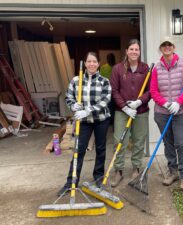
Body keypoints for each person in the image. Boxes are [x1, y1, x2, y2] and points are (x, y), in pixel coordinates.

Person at [57, 52, 111, 196]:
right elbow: (68, 97)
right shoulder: (76, 80)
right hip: (84, 122)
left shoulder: (104, 81)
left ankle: (98, 177)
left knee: (100, 149)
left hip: (101, 119)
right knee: (79, 150)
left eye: (94, 61)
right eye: (89, 61)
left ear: (98, 63)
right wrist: (73, 105)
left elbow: (105, 101)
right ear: (85, 64)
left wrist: (87, 110)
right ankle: (71, 182)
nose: (92, 64)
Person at [150, 37, 183, 190]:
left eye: (169, 45)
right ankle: (173, 171)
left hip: (181, 112)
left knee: (180, 143)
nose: (167, 47)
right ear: (160, 48)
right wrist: (165, 103)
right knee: (168, 143)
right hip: (162, 112)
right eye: (164, 45)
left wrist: (178, 102)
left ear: (173, 47)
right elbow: (153, 90)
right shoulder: (156, 68)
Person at [109, 39, 150, 187]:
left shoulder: (145, 69)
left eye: (136, 49)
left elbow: (150, 90)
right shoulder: (118, 69)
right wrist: (125, 107)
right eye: (131, 49)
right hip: (122, 112)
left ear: (139, 52)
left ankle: (136, 168)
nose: (134, 52)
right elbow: (114, 90)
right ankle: (118, 171)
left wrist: (139, 102)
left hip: (141, 111)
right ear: (126, 51)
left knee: (139, 140)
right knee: (120, 141)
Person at [100, 53, 116, 124]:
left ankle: (111, 120)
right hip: (107, 90)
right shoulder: (103, 67)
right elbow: (100, 79)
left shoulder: (116, 67)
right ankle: (110, 120)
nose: (109, 60)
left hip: (114, 90)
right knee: (109, 105)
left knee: (112, 105)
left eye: (110, 58)